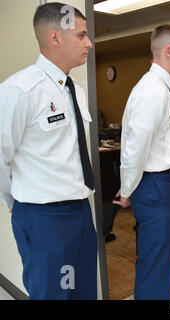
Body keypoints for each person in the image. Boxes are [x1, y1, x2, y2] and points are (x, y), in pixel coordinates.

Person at [0, 3, 97, 299]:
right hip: (44, 219)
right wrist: (13, 200)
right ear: (55, 37)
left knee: (83, 293)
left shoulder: (76, 89)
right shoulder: (19, 90)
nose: (89, 43)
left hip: (81, 211)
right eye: (81, 35)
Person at [113, 24, 170, 300]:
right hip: (155, 185)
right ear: (168, 51)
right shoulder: (151, 91)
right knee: (155, 262)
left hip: (166, 182)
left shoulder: (166, 88)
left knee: (161, 260)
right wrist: (127, 189)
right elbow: (135, 148)